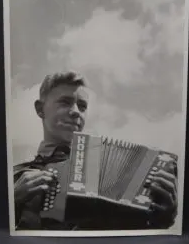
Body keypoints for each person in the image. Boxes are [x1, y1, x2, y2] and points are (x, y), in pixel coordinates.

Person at [13, 71, 178, 230]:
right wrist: (10, 203)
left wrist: (161, 220)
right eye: (64, 102)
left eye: (82, 106)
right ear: (40, 109)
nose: (76, 112)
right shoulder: (16, 177)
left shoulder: (111, 171)